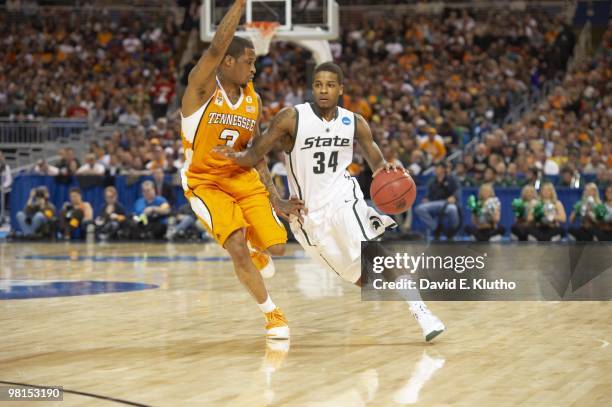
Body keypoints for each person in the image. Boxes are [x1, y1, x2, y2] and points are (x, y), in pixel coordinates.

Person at [214, 62, 445, 342]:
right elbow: (255, 156)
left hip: (343, 199)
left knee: (374, 251)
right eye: (319, 85)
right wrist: (275, 199)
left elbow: (376, 161)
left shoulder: (354, 122)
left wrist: (387, 168)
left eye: (330, 85)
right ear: (313, 88)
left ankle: (421, 311)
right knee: (361, 279)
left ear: (340, 90)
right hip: (308, 217)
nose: (324, 90)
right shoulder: (291, 118)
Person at [179, 0, 302, 339]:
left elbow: (258, 152)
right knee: (235, 244)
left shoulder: (254, 100)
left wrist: (276, 199)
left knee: (277, 248)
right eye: (249, 61)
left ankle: (255, 248)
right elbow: (217, 45)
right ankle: (272, 314)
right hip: (206, 182)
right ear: (227, 62)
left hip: (242, 178)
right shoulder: (201, 88)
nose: (254, 68)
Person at [414, 163, 460, 240]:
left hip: (447, 203)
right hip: (434, 203)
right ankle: (436, 228)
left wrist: (454, 197)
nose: (435, 169)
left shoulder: (451, 179)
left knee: (453, 209)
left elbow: (457, 191)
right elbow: (428, 194)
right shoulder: (432, 181)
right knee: (419, 208)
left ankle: (452, 230)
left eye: (438, 168)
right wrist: (426, 198)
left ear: (443, 169)